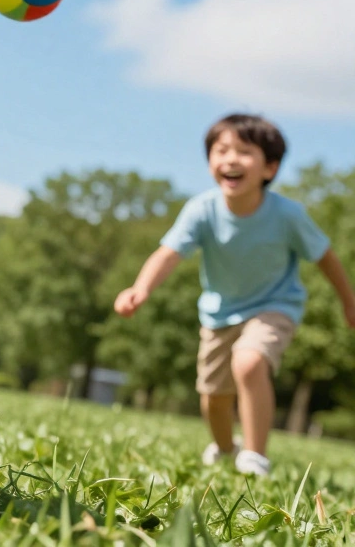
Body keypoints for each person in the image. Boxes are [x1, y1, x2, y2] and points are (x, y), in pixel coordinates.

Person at [114, 113, 355, 476]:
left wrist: (349, 302)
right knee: (214, 397)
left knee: (249, 361)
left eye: (243, 152)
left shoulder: (288, 215)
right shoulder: (202, 210)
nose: (229, 159)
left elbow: (326, 257)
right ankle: (227, 449)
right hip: (220, 312)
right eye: (220, 149)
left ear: (269, 168)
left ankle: (255, 457)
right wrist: (141, 287)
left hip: (275, 305)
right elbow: (168, 253)